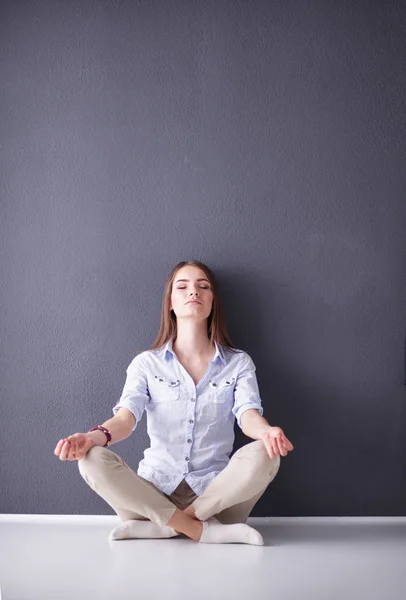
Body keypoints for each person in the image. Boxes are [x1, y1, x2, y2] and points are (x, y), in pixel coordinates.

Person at [54, 260, 294, 545]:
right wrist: (91, 437)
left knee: (267, 453)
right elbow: (124, 420)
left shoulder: (238, 363)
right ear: (170, 302)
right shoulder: (146, 363)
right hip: (151, 495)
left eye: (203, 286)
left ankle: (169, 525)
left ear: (212, 301)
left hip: (217, 498)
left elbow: (248, 414)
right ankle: (198, 530)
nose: (194, 291)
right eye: (183, 286)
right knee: (91, 459)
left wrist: (267, 432)